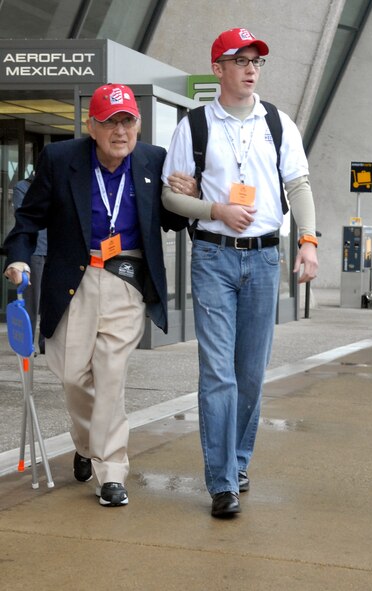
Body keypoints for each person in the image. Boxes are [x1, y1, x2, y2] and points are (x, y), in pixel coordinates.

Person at [3, 83, 187, 507]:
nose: (120, 131)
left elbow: (172, 222)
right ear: (92, 126)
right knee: (70, 373)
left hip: (125, 277)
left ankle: (111, 470)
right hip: (75, 279)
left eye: (128, 121)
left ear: (138, 124)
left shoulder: (153, 160)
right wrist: (19, 258)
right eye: (110, 123)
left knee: (110, 376)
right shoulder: (61, 158)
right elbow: (29, 219)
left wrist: (186, 197)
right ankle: (85, 442)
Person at [162, 28, 319, 518]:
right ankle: (222, 482)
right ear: (218, 69)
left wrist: (308, 242)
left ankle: (239, 461)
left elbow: (299, 185)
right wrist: (215, 208)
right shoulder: (193, 126)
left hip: (266, 257)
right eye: (240, 60)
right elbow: (171, 196)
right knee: (219, 374)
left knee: (250, 374)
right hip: (213, 257)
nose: (251, 68)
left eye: (256, 61)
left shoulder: (278, 122)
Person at [12, 172, 47, 354]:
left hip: (54, 250)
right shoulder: (22, 188)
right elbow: (24, 218)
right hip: (34, 252)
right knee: (32, 302)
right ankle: (28, 344)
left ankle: (45, 343)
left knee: (50, 301)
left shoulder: (54, 187)